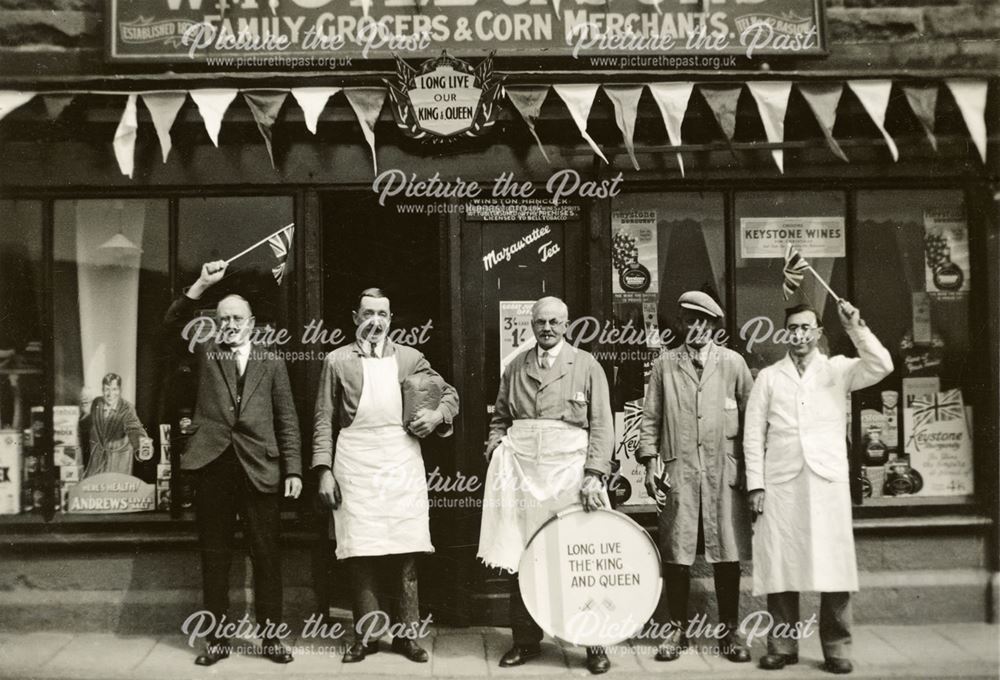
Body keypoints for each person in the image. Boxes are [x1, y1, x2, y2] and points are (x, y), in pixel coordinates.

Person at [164, 260, 302, 667]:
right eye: (223, 318)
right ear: (215, 323)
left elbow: (287, 418)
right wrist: (202, 284)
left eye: (237, 318)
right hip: (214, 466)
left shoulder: (271, 359)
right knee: (215, 557)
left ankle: (272, 641)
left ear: (252, 322)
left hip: (260, 466)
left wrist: (293, 469)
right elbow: (171, 329)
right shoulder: (206, 352)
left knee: (267, 557)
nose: (230, 324)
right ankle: (218, 642)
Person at [743, 301, 892, 675]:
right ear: (785, 333)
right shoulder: (770, 377)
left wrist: (857, 328)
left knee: (834, 565)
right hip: (782, 482)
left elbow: (882, 365)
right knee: (781, 562)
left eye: (806, 328)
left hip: (826, 481)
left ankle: (837, 648)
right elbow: (752, 435)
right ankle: (781, 645)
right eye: (792, 328)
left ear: (818, 332)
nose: (799, 335)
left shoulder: (838, 370)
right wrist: (756, 485)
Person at [312, 287, 459, 664]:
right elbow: (322, 419)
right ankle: (366, 636)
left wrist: (437, 415)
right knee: (360, 550)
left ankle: (407, 636)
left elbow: (450, 395)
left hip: (400, 460)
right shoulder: (337, 361)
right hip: (355, 461)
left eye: (382, 314)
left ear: (391, 320)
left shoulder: (410, 358)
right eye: (368, 313)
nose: (375, 321)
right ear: (356, 317)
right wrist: (324, 471)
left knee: (404, 550)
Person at [478, 296, 614, 676]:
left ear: (567, 325)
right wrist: (495, 447)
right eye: (541, 322)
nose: (548, 328)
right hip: (523, 473)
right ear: (531, 325)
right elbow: (500, 417)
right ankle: (524, 640)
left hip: (572, 475)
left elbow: (602, 425)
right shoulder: (516, 366)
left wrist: (595, 474)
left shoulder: (586, 365)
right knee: (523, 555)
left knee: (581, 555)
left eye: (555, 322)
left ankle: (593, 642)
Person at [637, 291, 754, 663]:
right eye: (690, 322)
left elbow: (752, 420)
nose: (696, 329)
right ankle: (677, 630)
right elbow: (650, 419)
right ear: (682, 325)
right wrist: (649, 464)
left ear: (715, 327)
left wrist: (752, 472)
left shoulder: (734, 364)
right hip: (679, 469)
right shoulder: (665, 366)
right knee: (677, 550)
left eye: (704, 322)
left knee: (727, 551)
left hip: (725, 471)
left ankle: (730, 631)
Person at [82, 373, 148, 478]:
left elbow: (134, 428)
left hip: (118, 462)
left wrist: (141, 447)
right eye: (107, 389)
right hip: (97, 462)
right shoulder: (97, 403)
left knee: (117, 491)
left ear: (120, 390)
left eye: (114, 389)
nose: (110, 394)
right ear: (102, 390)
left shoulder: (127, 408)